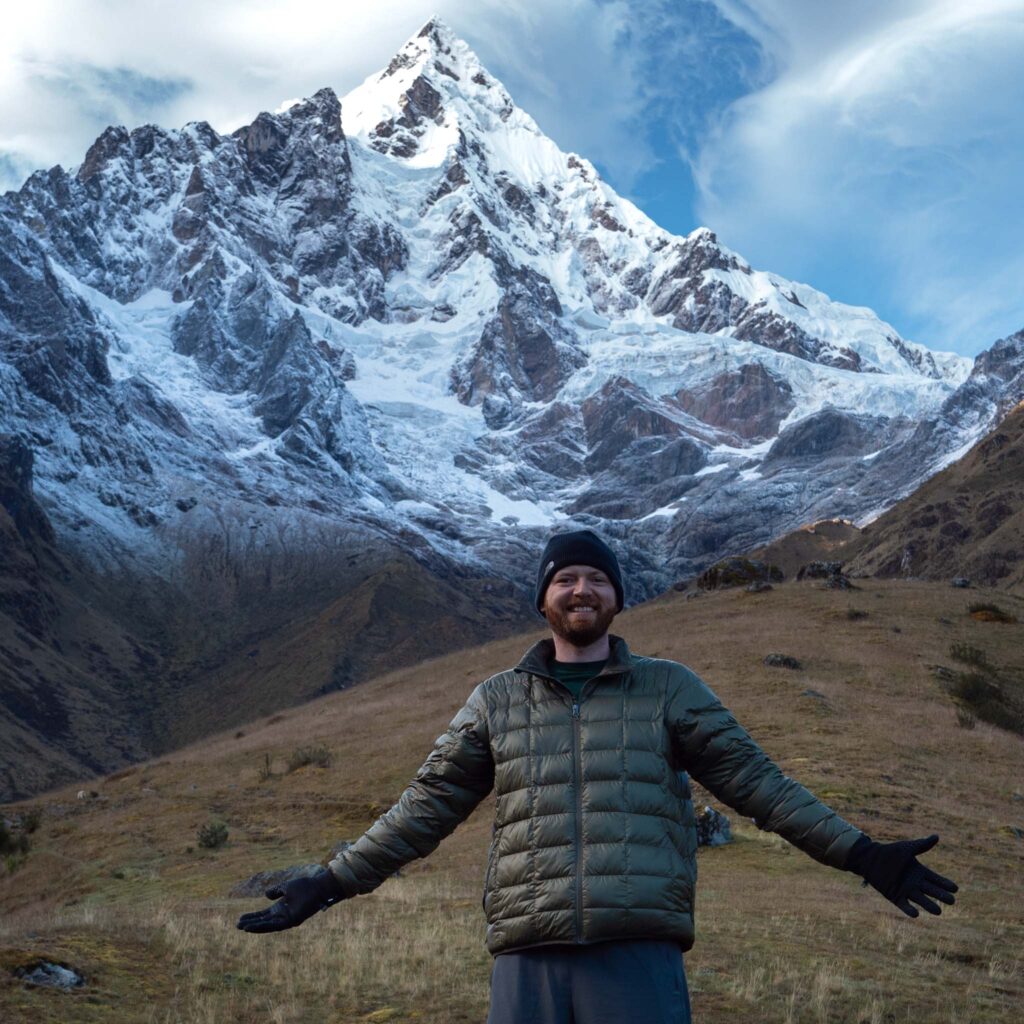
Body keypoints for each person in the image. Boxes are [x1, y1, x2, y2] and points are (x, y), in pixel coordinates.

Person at [237, 528, 958, 1023]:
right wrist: (328, 884)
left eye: (595, 578)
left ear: (617, 597)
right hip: (528, 955)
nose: (581, 589)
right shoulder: (496, 701)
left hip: (638, 948)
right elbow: (423, 809)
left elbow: (759, 786)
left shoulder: (669, 688)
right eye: (566, 579)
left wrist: (863, 854)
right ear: (543, 599)